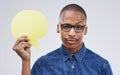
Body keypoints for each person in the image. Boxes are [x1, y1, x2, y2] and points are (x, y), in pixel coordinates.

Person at [13, 4, 113, 75]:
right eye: (66, 26)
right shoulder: (42, 64)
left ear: (85, 30)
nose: (72, 33)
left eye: (78, 27)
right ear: (58, 28)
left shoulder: (101, 66)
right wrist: (25, 61)